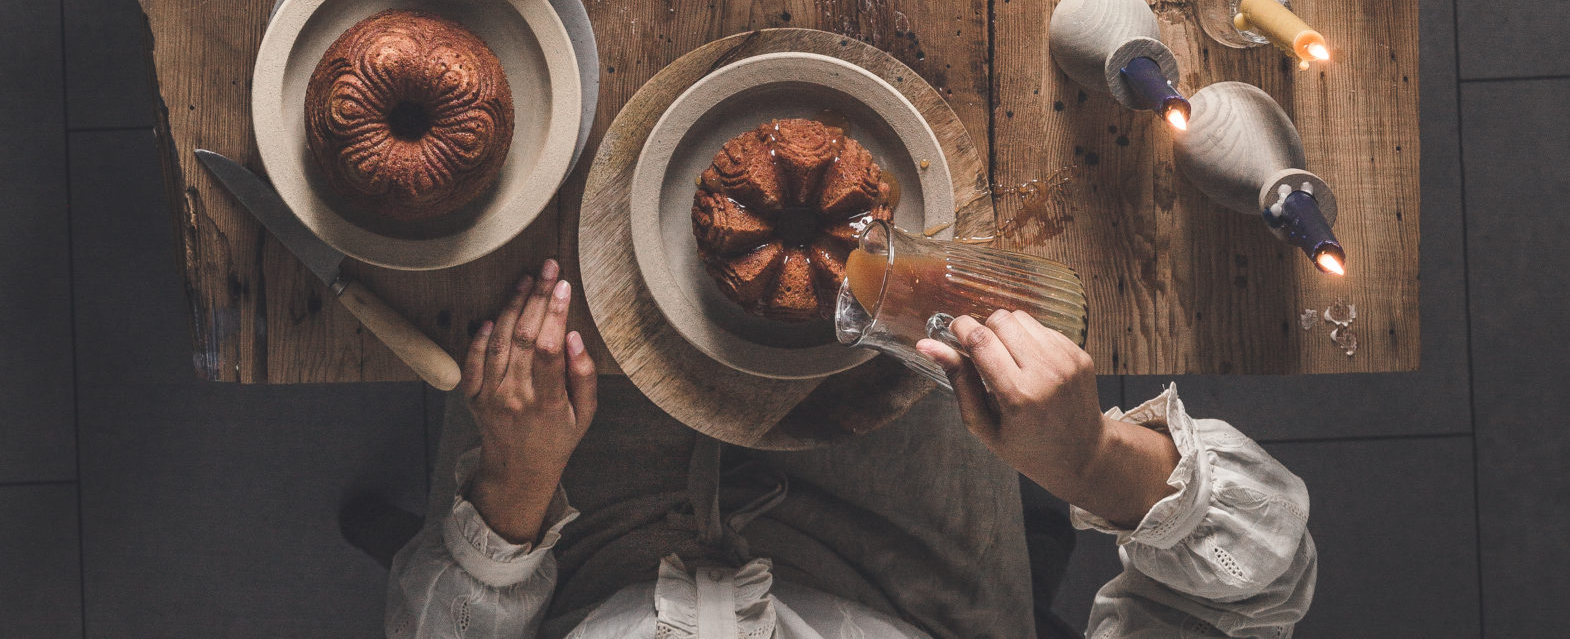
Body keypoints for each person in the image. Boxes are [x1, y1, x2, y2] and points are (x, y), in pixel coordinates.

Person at [386, 261, 1316, 639]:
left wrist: (514, 487)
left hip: (573, 527)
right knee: (910, 185)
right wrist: (1091, 459)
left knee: (542, 220)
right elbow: (1252, 601)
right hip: (903, 546)